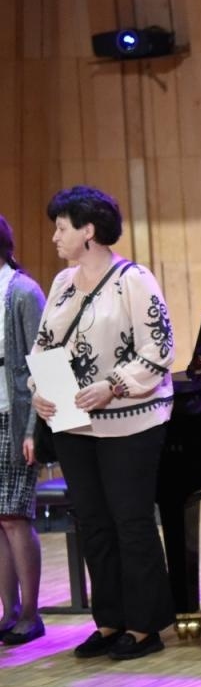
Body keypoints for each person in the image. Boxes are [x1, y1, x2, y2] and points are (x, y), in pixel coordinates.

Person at [30, 186, 177, 661]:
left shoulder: (133, 280)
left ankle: (144, 626)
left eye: (62, 227)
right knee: (92, 522)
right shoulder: (61, 283)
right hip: (74, 424)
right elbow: (44, 346)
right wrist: (39, 392)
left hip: (130, 421)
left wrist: (113, 384)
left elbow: (158, 347)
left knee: (131, 521)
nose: (55, 236)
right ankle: (109, 620)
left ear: (88, 231)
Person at [0, 216, 47, 646]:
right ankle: (8, 611)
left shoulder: (22, 292)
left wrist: (34, 427)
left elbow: (42, 364)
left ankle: (30, 613)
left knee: (15, 516)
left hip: (13, 417)